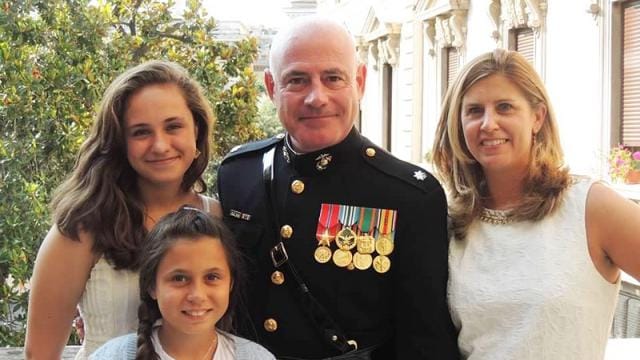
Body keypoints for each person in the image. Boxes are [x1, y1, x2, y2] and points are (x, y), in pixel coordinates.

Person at [217, 16, 459, 359]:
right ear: (271, 88)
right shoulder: (239, 175)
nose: (317, 97)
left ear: (359, 81)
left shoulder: (409, 196)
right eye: (297, 80)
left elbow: (425, 339)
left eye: (333, 78)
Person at [432, 49, 640, 359]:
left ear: (537, 117)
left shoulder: (590, 207)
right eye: (474, 110)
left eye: (505, 107)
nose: (489, 123)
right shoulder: (449, 222)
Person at [25, 60, 221, 359]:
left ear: (197, 129)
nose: (160, 145)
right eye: (141, 132)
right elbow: (39, 354)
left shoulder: (221, 219)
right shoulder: (83, 228)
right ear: (119, 141)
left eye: (173, 126)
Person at [90, 206, 275, 359]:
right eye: (179, 278)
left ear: (231, 283)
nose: (197, 295)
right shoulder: (113, 356)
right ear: (152, 286)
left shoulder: (256, 357)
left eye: (212, 277)